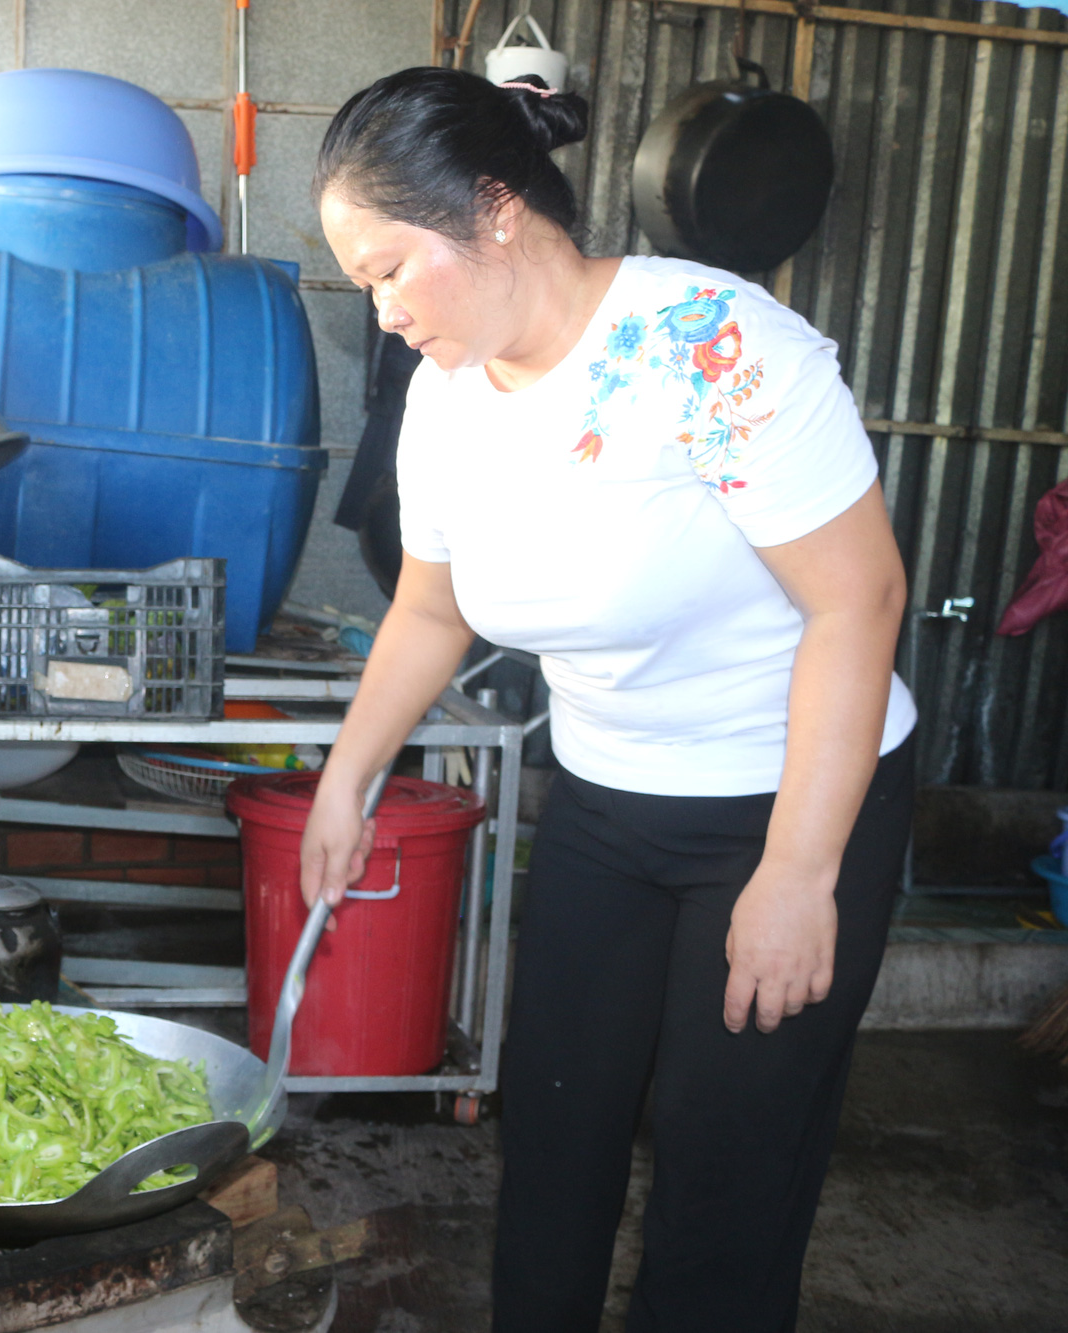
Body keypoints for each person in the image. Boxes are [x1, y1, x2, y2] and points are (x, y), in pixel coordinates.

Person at [299, 67, 916, 1333]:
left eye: (389, 270)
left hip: (788, 795)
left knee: (721, 1158)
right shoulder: (447, 395)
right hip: (604, 797)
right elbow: (429, 607)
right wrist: (343, 781)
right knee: (557, 1123)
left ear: (492, 209)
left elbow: (856, 603)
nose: (382, 311)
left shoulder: (709, 345)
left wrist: (802, 874)